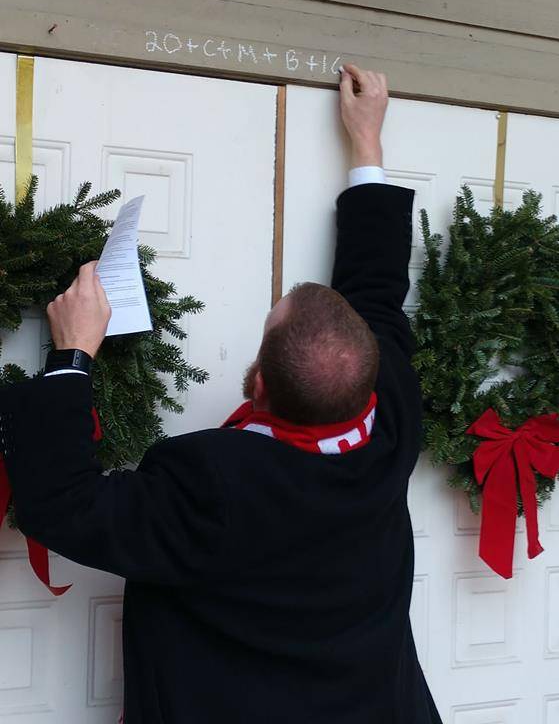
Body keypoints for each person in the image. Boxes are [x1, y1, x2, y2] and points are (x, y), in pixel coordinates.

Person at [0, 64, 443, 723]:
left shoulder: (216, 485)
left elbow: (63, 506)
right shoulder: (392, 416)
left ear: (259, 381)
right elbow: (376, 292)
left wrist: (72, 353)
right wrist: (367, 145)